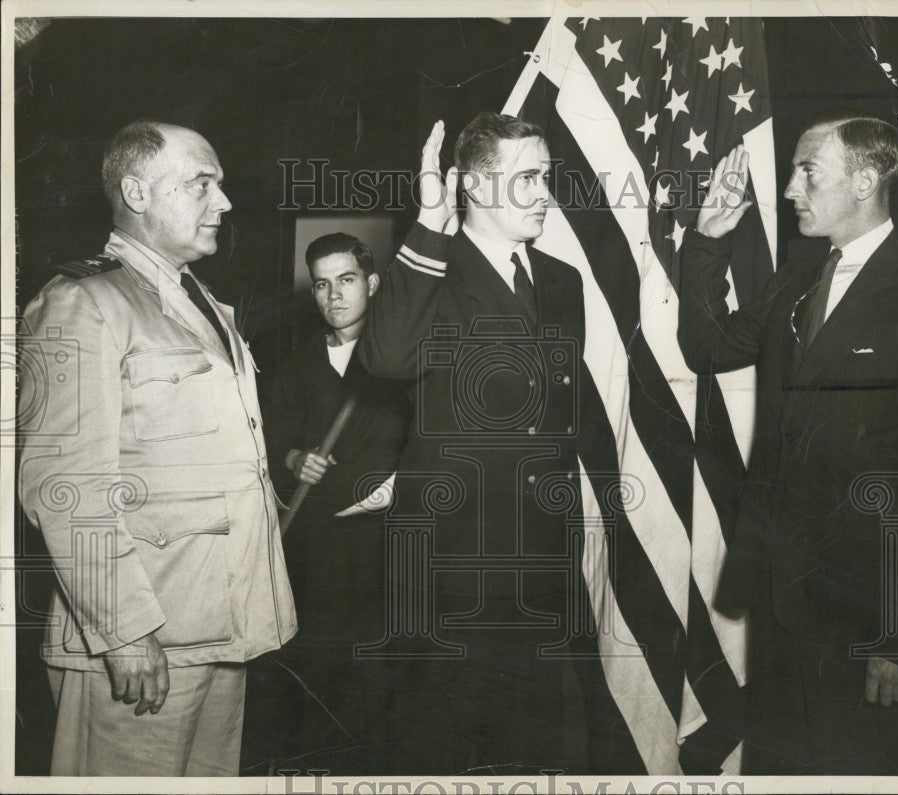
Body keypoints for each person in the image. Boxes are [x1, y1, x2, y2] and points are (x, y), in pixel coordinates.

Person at [677, 110, 898, 774]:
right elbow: (706, 348)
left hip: (870, 616)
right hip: (783, 601)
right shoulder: (797, 277)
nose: (789, 190)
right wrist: (706, 242)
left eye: (807, 171)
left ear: (866, 178)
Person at [17, 119, 297, 776]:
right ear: (137, 192)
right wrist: (124, 630)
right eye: (202, 183)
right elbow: (65, 485)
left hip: (217, 623)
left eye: (221, 185)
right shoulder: (81, 302)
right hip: (142, 635)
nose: (223, 203)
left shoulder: (203, 303)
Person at [358, 114, 636, 774]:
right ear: (474, 187)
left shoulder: (562, 279)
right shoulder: (431, 268)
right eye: (528, 178)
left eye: (547, 176)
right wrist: (429, 221)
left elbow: (560, 424)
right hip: (452, 568)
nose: (545, 192)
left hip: (543, 560)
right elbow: (386, 357)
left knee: (541, 747)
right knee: (446, 750)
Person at [243, 233, 411, 773]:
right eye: (321, 283)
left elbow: (434, 444)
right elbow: (265, 442)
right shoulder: (293, 365)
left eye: (347, 279)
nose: (333, 295)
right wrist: (294, 459)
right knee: (316, 680)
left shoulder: (403, 361)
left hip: (391, 549)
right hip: (317, 551)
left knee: (385, 686)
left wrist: (401, 482)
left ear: (373, 283)